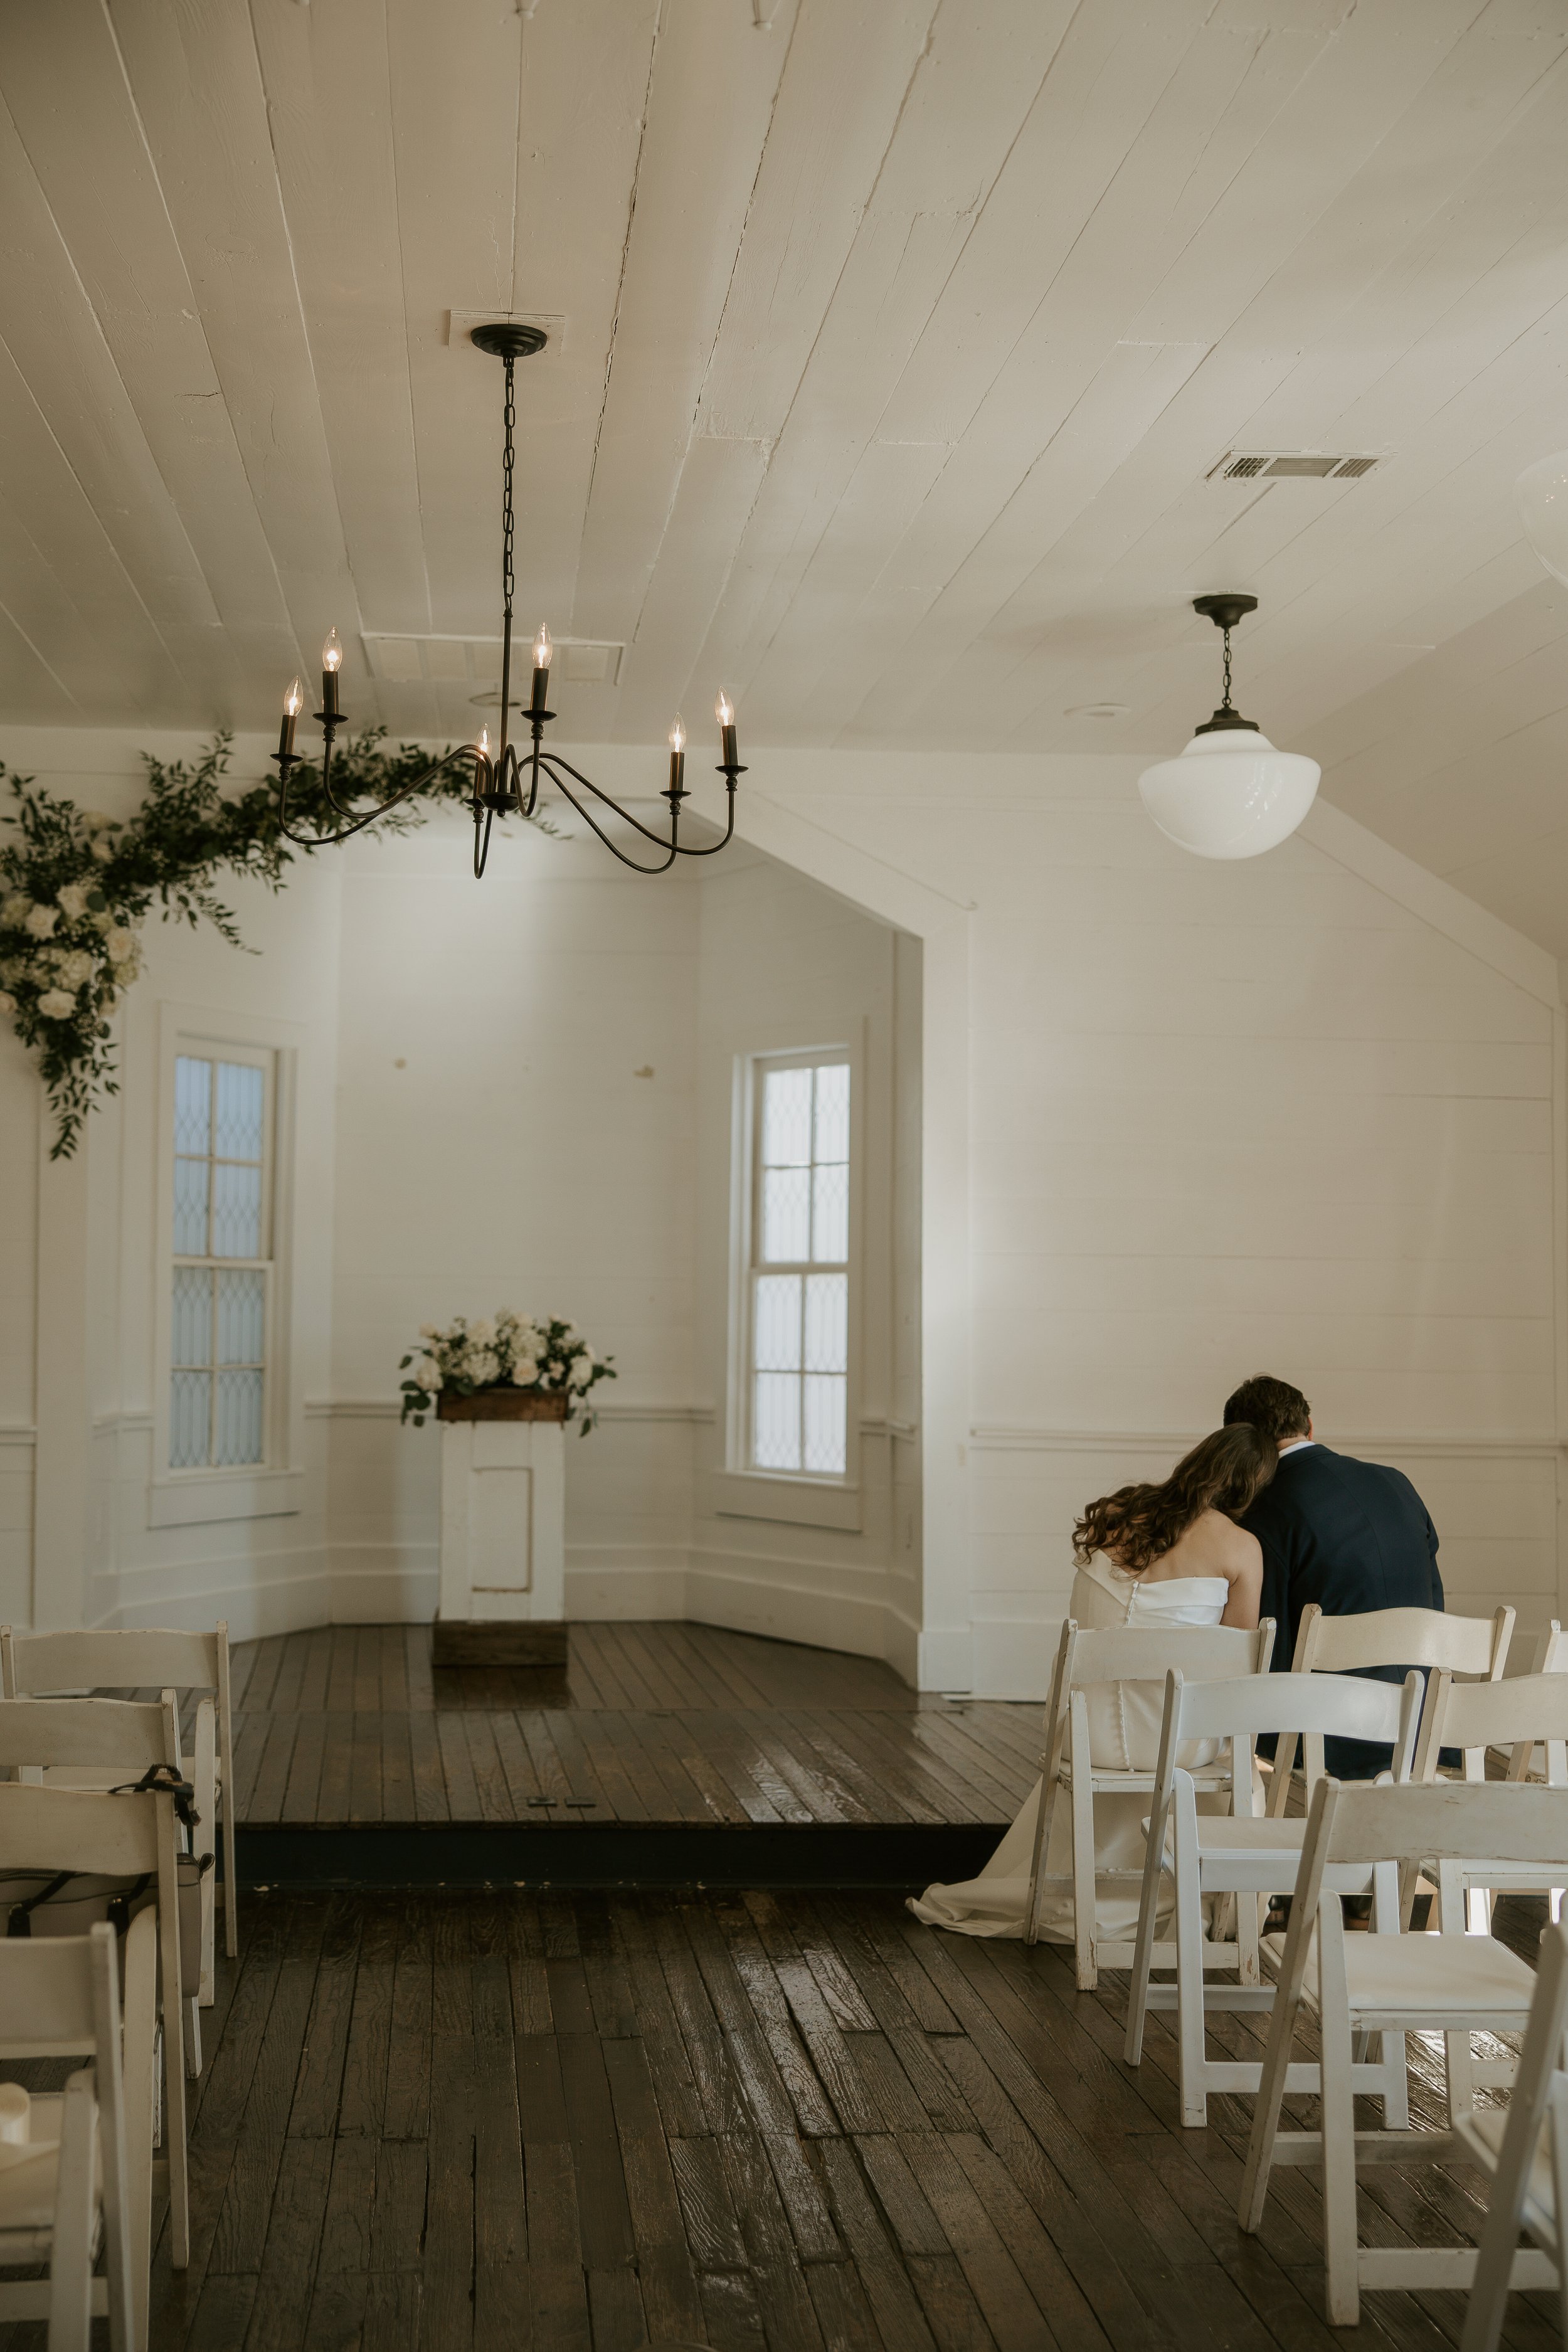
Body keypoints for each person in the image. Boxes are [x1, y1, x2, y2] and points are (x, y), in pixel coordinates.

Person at [909, 1424, 1276, 1941]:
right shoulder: (1241, 1547)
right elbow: (1236, 1663)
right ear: (1251, 1488)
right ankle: (1198, 1897)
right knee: (1246, 1767)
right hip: (1177, 1746)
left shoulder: (1115, 1518)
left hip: (1089, 1734)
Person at [1222, 1373, 1443, 1777]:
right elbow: (1433, 1600)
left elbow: (1263, 1639)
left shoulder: (1262, 1510)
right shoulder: (1396, 1483)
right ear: (1310, 1426)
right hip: (1421, 1726)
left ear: (1240, 1443)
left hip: (1325, 1738)